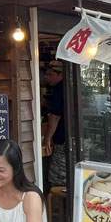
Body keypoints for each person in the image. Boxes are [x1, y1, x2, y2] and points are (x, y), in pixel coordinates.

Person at [43, 60, 67, 188]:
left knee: (57, 179)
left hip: (62, 140)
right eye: (47, 74)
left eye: (51, 74)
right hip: (72, 139)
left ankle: (60, 207)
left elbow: (55, 116)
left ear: (61, 75)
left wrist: (47, 138)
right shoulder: (70, 87)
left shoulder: (59, 89)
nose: (48, 77)